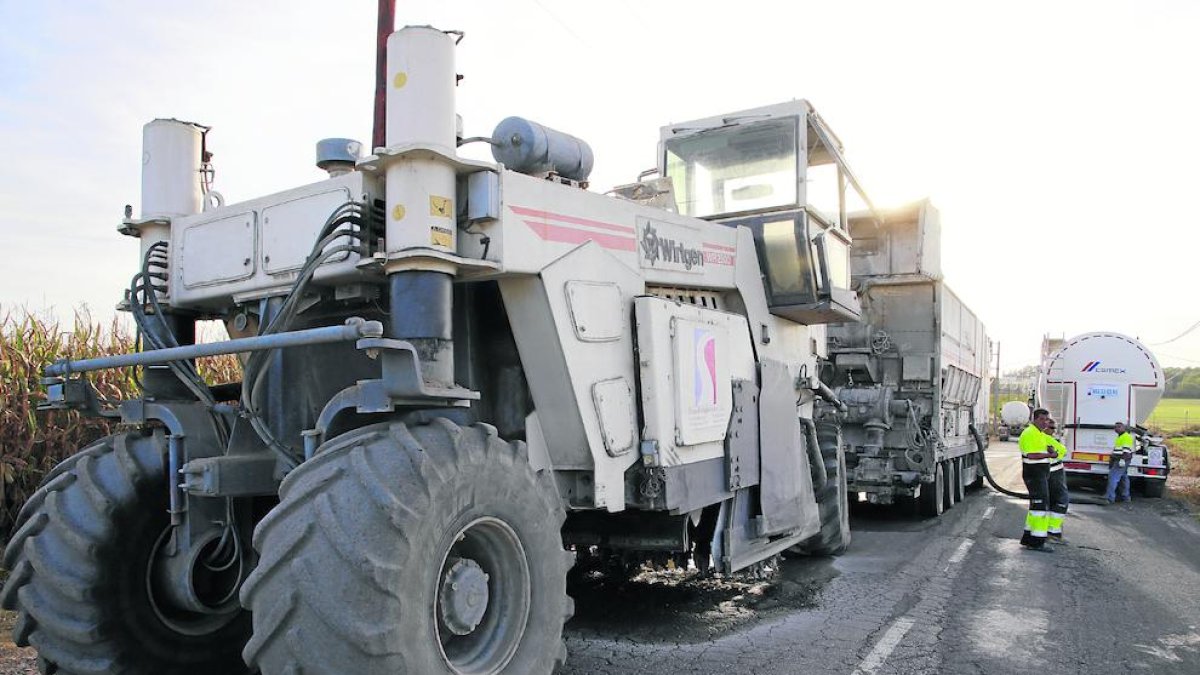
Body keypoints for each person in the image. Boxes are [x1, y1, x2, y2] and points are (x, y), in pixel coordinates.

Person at [1018, 408, 1058, 551]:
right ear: (1034, 419)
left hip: (1039, 473)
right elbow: (1031, 455)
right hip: (1033, 473)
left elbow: (1040, 451)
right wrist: (1049, 456)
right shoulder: (1029, 433)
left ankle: (1028, 538)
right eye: (1041, 419)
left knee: (1036, 507)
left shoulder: (1039, 433)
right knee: (1040, 507)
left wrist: (1050, 450)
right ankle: (1037, 542)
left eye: (1046, 419)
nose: (1044, 422)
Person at [1045, 419, 1069, 543]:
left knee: (1052, 502)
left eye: (1054, 428)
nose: (1053, 430)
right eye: (1051, 428)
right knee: (1061, 501)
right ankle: (1053, 533)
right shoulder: (1046, 439)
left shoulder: (1049, 439)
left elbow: (1062, 451)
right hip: (1053, 475)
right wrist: (1058, 451)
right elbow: (1061, 452)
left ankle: (1052, 532)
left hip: (1054, 473)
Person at [1105, 421, 1135, 503]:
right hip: (1120, 459)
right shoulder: (1120, 437)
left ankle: (1109, 498)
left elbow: (1126, 452)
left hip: (1121, 460)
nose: (1116, 428)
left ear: (1124, 428)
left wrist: (1122, 460)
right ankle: (1125, 497)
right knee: (1123, 477)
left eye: (1119, 427)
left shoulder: (1126, 437)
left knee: (1113, 478)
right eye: (1115, 427)